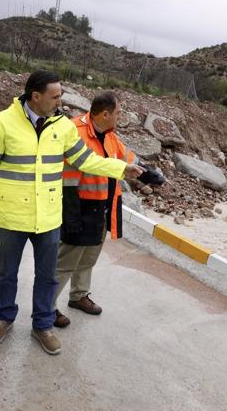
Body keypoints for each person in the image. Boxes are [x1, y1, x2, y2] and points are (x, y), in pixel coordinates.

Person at [0, 70, 144, 355]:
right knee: (7, 274)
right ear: (35, 96)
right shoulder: (2, 123)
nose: (60, 101)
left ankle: (43, 325)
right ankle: (4, 318)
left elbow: (85, 160)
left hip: (49, 216)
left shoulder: (62, 126)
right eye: (55, 96)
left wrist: (121, 169)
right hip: (14, 216)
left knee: (48, 276)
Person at [54, 92, 165, 327]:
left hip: (101, 207)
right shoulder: (75, 131)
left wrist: (147, 171)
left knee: (88, 257)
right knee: (66, 262)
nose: (120, 116)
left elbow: (127, 157)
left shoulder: (110, 135)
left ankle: (78, 296)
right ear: (105, 114)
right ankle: (47, 306)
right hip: (76, 205)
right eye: (118, 113)